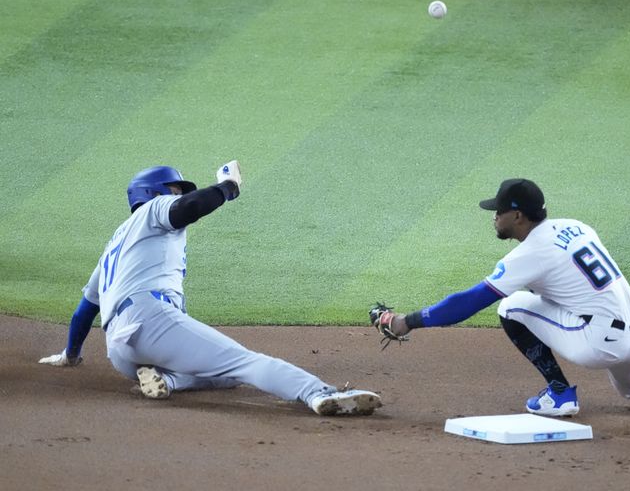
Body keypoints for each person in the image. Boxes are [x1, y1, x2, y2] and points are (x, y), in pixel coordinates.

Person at [376, 178, 630, 418]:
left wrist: (406, 322)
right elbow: (598, 285)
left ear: (517, 216)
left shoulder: (528, 253)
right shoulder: (576, 227)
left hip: (600, 341)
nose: (493, 217)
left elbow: (467, 303)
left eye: (498, 212)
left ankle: (559, 393)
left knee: (510, 306)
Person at [39, 162, 381, 416]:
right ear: (151, 194)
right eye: (174, 190)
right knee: (243, 362)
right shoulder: (153, 211)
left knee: (224, 376)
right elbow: (189, 208)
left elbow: (85, 310)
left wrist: (70, 355)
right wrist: (227, 187)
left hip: (120, 352)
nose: (179, 195)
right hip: (150, 320)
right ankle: (319, 393)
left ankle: (168, 380)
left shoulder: (114, 247)